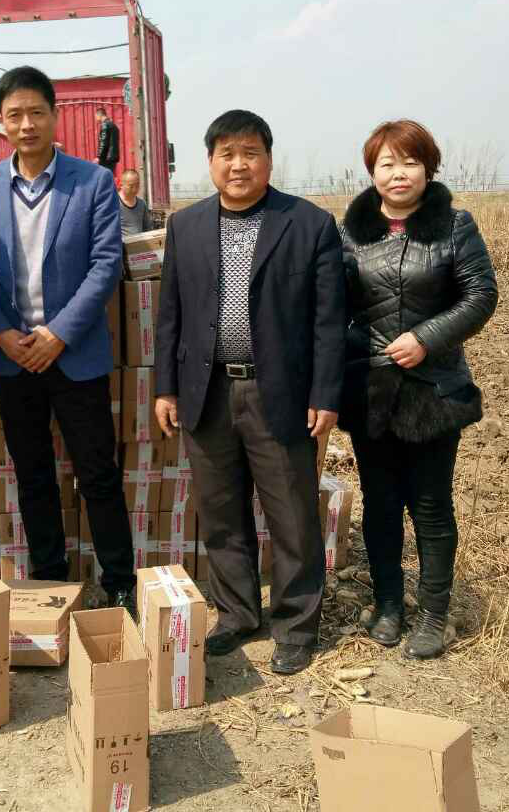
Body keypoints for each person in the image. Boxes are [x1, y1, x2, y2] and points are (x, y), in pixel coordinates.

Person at [154, 110, 346, 675]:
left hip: (278, 392)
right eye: (227, 154)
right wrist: (166, 389)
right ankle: (237, 613)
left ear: (268, 158)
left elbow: (329, 322)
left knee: (291, 514)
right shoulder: (186, 226)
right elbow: (170, 316)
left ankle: (295, 626)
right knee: (220, 512)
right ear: (210, 161)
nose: (238, 165)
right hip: (206, 390)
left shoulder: (308, 224)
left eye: (250, 153)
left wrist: (325, 394)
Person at [0, 66, 137, 613]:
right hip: (13, 358)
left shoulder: (92, 182)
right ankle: (48, 581)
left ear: (55, 116)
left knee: (97, 474)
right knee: (33, 474)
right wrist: (1, 333)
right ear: (1, 121)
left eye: (36, 112)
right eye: (14, 115)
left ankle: (120, 581)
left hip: (75, 354)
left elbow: (105, 265)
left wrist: (58, 334)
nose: (27, 124)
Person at [339, 120, 498, 660]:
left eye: (410, 162)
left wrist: (426, 339)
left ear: (428, 168)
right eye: (387, 163)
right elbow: (337, 303)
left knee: (430, 504)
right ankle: (388, 604)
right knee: (381, 502)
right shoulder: (351, 232)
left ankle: (433, 614)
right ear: (372, 172)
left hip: (434, 388)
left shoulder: (455, 226)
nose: (398, 173)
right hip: (372, 386)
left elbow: (480, 296)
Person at [117, 168, 154, 238]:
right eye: (131, 186)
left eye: (137, 185)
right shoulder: (113, 203)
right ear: (121, 185)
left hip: (139, 244)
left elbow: (147, 228)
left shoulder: (142, 204)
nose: (134, 189)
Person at [95, 106, 120, 174]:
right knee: (110, 175)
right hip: (113, 157)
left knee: (104, 176)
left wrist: (99, 157)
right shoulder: (113, 125)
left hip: (106, 158)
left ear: (99, 115)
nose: (96, 118)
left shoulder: (105, 125)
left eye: (96, 116)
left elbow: (103, 143)